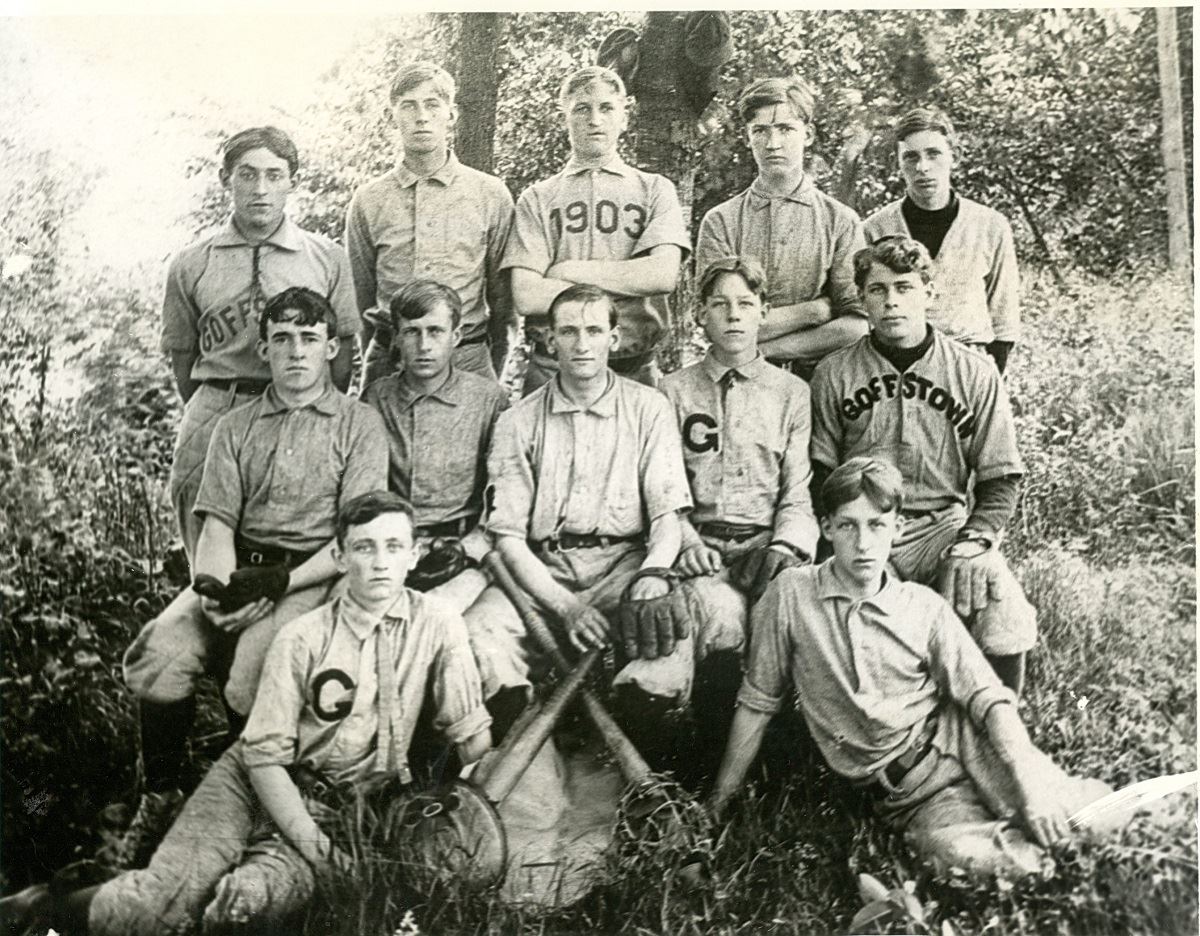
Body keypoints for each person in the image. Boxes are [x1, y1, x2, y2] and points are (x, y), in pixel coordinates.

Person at [3, 492, 491, 935]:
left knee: (245, 907)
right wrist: (325, 857)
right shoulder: (303, 636)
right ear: (339, 557)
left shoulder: (440, 625)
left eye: (393, 546)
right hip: (252, 783)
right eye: (364, 548)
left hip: (342, 807)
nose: (380, 563)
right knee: (156, 904)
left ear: (414, 554)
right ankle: (39, 911)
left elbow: (469, 736)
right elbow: (263, 760)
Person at [708, 457, 1122, 880]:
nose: (863, 544)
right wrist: (717, 804)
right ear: (826, 528)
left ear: (898, 530)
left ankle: (1109, 812)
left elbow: (990, 700)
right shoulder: (791, 595)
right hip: (911, 794)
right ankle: (1046, 860)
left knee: (1085, 820)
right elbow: (757, 703)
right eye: (848, 525)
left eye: (877, 526)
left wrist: (1030, 789)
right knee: (960, 859)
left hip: (971, 746)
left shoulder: (922, 607)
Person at [119, 287, 389, 865]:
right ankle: (162, 792)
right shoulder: (235, 426)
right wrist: (213, 589)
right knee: (157, 655)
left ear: (332, 348)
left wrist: (280, 586)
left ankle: (254, 809)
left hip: (314, 575)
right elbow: (216, 525)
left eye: (310, 340)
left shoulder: (359, 425)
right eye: (283, 340)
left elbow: (355, 537)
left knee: (249, 673)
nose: (296, 353)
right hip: (241, 569)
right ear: (263, 348)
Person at [808, 237, 1034, 694]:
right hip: (866, 524)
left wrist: (975, 542)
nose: (891, 301)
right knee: (869, 631)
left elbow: (1001, 477)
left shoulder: (974, 371)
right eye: (877, 290)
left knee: (999, 601)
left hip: (942, 528)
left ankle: (1000, 728)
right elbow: (821, 477)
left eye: (905, 288)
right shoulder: (833, 373)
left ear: (929, 293)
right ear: (864, 300)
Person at [464, 284, 693, 733]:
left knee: (664, 640)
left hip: (623, 564)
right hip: (543, 570)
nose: (582, 343)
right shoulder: (517, 420)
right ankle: (519, 746)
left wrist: (652, 574)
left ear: (614, 337)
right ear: (550, 341)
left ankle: (648, 753)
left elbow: (668, 516)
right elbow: (507, 537)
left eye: (593, 330)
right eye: (568, 331)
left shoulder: (650, 408)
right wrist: (567, 607)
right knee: (479, 633)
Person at [627, 257, 817, 743]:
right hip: (699, 548)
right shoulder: (670, 390)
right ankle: (694, 748)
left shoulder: (791, 394)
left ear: (763, 313)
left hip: (761, 547)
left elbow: (797, 492)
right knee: (717, 618)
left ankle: (778, 747)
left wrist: (783, 548)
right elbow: (661, 484)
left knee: (790, 619)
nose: (733, 315)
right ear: (699, 315)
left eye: (746, 304)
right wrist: (685, 540)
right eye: (720, 304)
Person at [162, 126, 360, 569]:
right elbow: (181, 354)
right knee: (207, 546)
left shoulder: (325, 257)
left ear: (293, 180)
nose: (261, 189)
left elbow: (343, 350)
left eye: (275, 175)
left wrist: (319, 409)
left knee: (291, 541)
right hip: (217, 406)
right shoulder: (192, 262)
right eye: (247, 175)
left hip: (298, 409)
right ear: (225, 178)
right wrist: (214, 402)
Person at [501, 65, 690, 394]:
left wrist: (569, 271)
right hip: (552, 369)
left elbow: (661, 275)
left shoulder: (654, 189)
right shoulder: (538, 198)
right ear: (565, 119)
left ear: (624, 117)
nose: (594, 119)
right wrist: (627, 279)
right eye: (582, 109)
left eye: (606, 108)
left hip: (633, 370)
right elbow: (527, 296)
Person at [346, 62, 516, 387]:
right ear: (392, 115)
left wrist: (485, 370)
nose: (421, 116)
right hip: (391, 362)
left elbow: (504, 304)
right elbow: (361, 299)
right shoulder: (369, 200)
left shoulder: (489, 194)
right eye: (408, 106)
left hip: (467, 358)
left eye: (432, 104)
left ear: (450, 115)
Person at [695, 77, 867, 381]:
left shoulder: (840, 220)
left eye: (786, 129)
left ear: (808, 134)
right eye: (760, 131)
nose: (773, 144)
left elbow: (856, 325)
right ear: (747, 138)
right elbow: (717, 324)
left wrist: (768, 349)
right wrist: (814, 312)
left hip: (821, 382)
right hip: (738, 381)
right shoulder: (720, 221)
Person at [361, 280, 509, 612]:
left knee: (436, 622)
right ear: (396, 338)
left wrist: (469, 547)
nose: (424, 345)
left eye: (436, 331)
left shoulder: (488, 400)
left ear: (456, 337)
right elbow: (366, 488)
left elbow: (503, 492)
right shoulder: (377, 398)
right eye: (412, 332)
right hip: (393, 548)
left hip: (465, 552)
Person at [864, 106, 1020, 373]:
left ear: (954, 156)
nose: (922, 167)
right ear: (898, 162)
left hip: (969, 365)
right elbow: (864, 312)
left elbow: (1004, 320)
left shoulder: (990, 226)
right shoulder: (875, 229)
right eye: (911, 157)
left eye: (933, 154)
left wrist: (989, 381)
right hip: (895, 367)